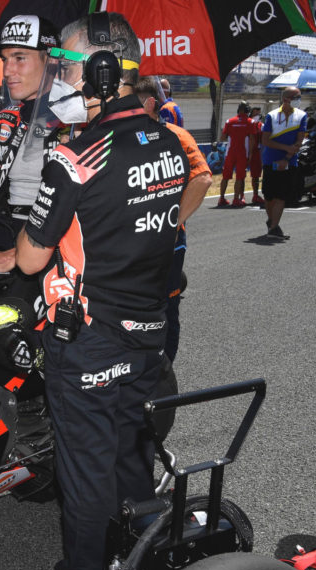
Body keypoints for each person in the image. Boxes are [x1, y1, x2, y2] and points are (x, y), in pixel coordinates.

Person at [8, 12, 190, 570]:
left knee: (85, 473)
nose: (58, 74)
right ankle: (152, 559)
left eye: (65, 64)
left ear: (104, 71)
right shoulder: (168, 140)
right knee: (131, 456)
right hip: (149, 334)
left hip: (87, 342)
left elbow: (31, 259)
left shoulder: (74, 154)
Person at [0, 15, 63, 251]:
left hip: (57, 243)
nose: (7, 71)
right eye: (5, 59)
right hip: (6, 234)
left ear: (51, 62)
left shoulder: (76, 120)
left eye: (19, 58)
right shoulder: (4, 121)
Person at [134, 76, 212, 363]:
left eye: (133, 103)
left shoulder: (177, 136)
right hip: (130, 244)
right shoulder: (123, 136)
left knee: (166, 307)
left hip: (167, 244)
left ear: (151, 103)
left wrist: (173, 222)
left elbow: (203, 178)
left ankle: (164, 375)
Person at [261, 86, 307, 241]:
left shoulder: (302, 116)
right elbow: (265, 140)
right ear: (285, 99)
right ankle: (272, 221)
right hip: (270, 160)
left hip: (289, 162)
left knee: (281, 195)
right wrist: (285, 147)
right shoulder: (271, 116)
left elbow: (299, 140)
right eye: (296, 97)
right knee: (268, 196)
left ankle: (274, 227)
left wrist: (287, 157)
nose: (299, 100)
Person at [218, 101, 256, 207]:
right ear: (247, 110)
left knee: (225, 176)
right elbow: (252, 139)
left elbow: (222, 137)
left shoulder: (229, 121)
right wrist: (251, 154)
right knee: (239, 177)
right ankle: (235, 198)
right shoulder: (250, 122)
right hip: (242, 153)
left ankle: (221, 198)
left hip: (230, 152)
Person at [248, 106, 266, 205]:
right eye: (256, 114)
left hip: (258, 151)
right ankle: (241, 195)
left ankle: (256, 194)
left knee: (257, 174)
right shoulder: (248, 123)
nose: (258, 116)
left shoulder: (261, 125)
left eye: (259, 114)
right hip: (248, 150)